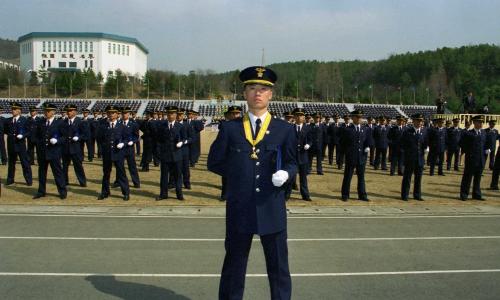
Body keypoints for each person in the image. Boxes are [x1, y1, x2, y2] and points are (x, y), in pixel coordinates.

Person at [208, 66, 296, 300]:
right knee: (234, 268)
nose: (258, 93)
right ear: (244, 94)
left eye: (263, 89)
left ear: (271, 94)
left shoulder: (285, 129)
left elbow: (293, 162)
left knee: (278, 268)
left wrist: (286, 174)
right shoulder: (230, 128)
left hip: (271, 206)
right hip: (240, 206)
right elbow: (214, 162)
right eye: (252, 88)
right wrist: (239, 174)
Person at [33, 103, 67, 200]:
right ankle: (41, 191)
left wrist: (57, 141)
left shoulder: (59, 123)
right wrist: (39, 145)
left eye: (48, 111)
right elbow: (36, 136)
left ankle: (62, 191)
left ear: (53, 112)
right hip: (43, 152)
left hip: (54, 152)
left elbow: (64, 137)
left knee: (57, 172)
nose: (46, 112)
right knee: (42, 173)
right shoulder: (41, 122)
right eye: (45, 111)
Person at [96, 105, 130, 201]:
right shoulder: (103, 126)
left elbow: (127, 138)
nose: (111, 114)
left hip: (118, 153)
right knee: (106, 174)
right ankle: (105, 192)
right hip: (107, 153)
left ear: (117, 114)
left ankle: (125, 192)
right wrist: (103, 147)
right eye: (109, 113)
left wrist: (123, 143)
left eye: (113, 113)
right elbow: (99, 138)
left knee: (121, 173)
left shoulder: (122, 126)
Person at [340, 110, 371, 201]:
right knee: (348, 176)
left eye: (360, 117)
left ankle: (362, 195)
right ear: (352, 118)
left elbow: (368, 140)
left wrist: (367, 146)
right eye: (357, 117)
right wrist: (347, 152)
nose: (359, 119)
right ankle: (345, 195)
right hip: (351, 156)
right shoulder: (347, 129)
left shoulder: (365, 129)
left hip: (361, 157)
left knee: (361, 177)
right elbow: (342, 143)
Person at [156, 106, 185, 201]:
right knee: (164, 176)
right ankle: (163, 194)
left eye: (172, 113)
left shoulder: (181, 126)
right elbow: (159, 141)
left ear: (176, 115)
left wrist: (182, 142)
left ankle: (179, 194)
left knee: (178, 176)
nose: (170, 115)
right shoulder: (162, 126)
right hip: (165, 155)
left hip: (177, 155)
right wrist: (159, 154)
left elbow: (185, 138)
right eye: (168, 113)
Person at [459, 115, 490, 201]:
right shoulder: (469, 133)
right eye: (479, 122)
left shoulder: (483, 133)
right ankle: (464, 194)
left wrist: (487, 149)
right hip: (471, 159)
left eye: (481, 122)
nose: (481, 124)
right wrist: (469, 152)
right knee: (467, 178)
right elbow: (461, 144)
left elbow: (486, 143)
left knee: (478, 178)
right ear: (474, 123)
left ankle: (476, 194)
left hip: (480, 159)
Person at [401, 114, 429, 201]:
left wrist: (427, 148)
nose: (420, 122)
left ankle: (417, 194)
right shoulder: (407, 131)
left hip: (420, 158)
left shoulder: (424, 131)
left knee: (418, 178)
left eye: (421, 121)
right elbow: (403, 144)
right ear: (414, 121)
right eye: (418, 120)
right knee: (407, 177)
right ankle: (405, 195)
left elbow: (425, 142)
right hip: (410, 158)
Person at [286, 107, 311, 201]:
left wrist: (309, 144)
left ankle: (305, 195)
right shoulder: (290, 128)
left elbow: (311, 139)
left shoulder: (307, 128)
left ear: (304, 117)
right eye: (297, 115)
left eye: (301, 115)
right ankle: (287, 195)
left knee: (303, 178)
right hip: (292, 157)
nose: (299, 117)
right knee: (291, 177)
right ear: (294, 117)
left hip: (303, 156)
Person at [4, 102, 32, 186]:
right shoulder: (8, 120)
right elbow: (6, 130)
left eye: (15, 109)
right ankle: (10, 180)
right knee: (11, 164)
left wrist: (23, 135)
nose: (13, 111)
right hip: (11, 145)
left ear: (19, 111)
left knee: (25, 163)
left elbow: (29, 131)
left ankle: (28, 180)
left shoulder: (24, 120)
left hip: (20, 145)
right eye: (12, 109)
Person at [219, 106, 242, 201]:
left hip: (241, 154)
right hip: (229, 154)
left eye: (237, 113)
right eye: (233, 113)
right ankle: (224, 194)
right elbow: (221, 142)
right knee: (226, 176)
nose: (235, 115)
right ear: (229, 115)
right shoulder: (225, 126)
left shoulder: (245, 125)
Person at [61, 104, 88, 187]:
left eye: (71, 111)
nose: (68, 112)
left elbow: (85, 134)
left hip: (76, 148)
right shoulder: (63, 122)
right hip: (65, 148)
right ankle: (65, 181)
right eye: (68, 111)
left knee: (78, 166)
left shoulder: (80, 122)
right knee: (64, 166)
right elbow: (61, 134)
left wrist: (78, 137)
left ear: (75, 112)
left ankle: (82, 182)